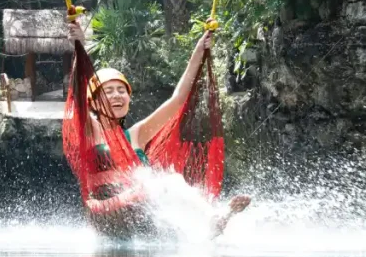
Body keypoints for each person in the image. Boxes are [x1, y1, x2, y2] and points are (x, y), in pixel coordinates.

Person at [66, 22, 250, 237]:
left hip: (141, 207)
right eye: (108, 91)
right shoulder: (91, 129)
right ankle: (210, 219)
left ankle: (213, 221)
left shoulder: (137, 133)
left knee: (172, 187)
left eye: (121, 91)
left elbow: (178, 99)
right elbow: (78, 98)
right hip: (105, 209)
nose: (117, 95)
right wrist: (79, 47)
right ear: (95, 103)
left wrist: (200, 50)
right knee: (164, 184)